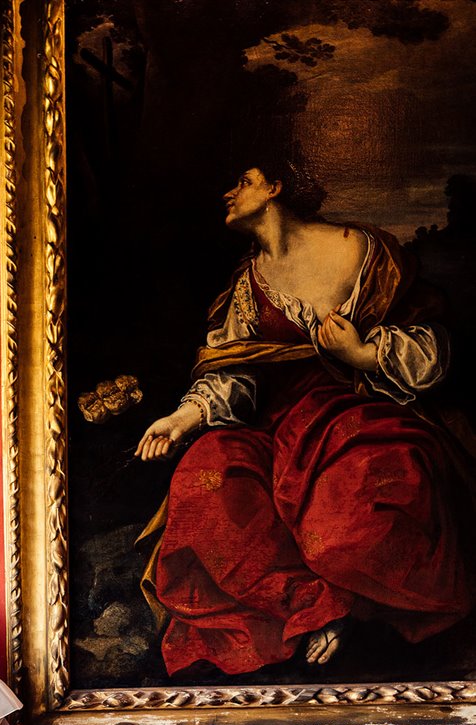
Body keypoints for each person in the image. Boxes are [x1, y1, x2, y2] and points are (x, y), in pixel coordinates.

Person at [135, 159, 473, 677]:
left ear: (276, 189)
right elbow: (236, 373)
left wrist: (361, 355)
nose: (230, 192)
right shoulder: (246, 286)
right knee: (205, 479)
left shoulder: (361, 250)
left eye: (243, 181)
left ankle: (351, 605)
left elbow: (432, 345)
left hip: (353, 410)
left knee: (350, 509)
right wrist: (185, 416)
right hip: (272, 427)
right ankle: (314, 609)